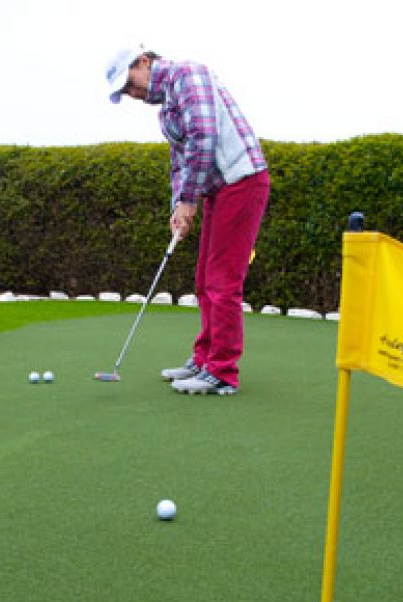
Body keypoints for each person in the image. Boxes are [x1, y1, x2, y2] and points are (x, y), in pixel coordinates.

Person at [106, 47, 270, 396]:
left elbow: (204, 138)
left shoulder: (188, 75)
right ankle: (205, 358)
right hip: (219, 189)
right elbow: (180, 164)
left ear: (144, 62)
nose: (131, 94)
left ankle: (222, 371)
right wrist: (177, 208)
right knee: (203, 278)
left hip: (242, 181)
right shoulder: (166, 109)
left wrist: (189, 200)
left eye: (129, 83)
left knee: (222, 280)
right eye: (124, 92)